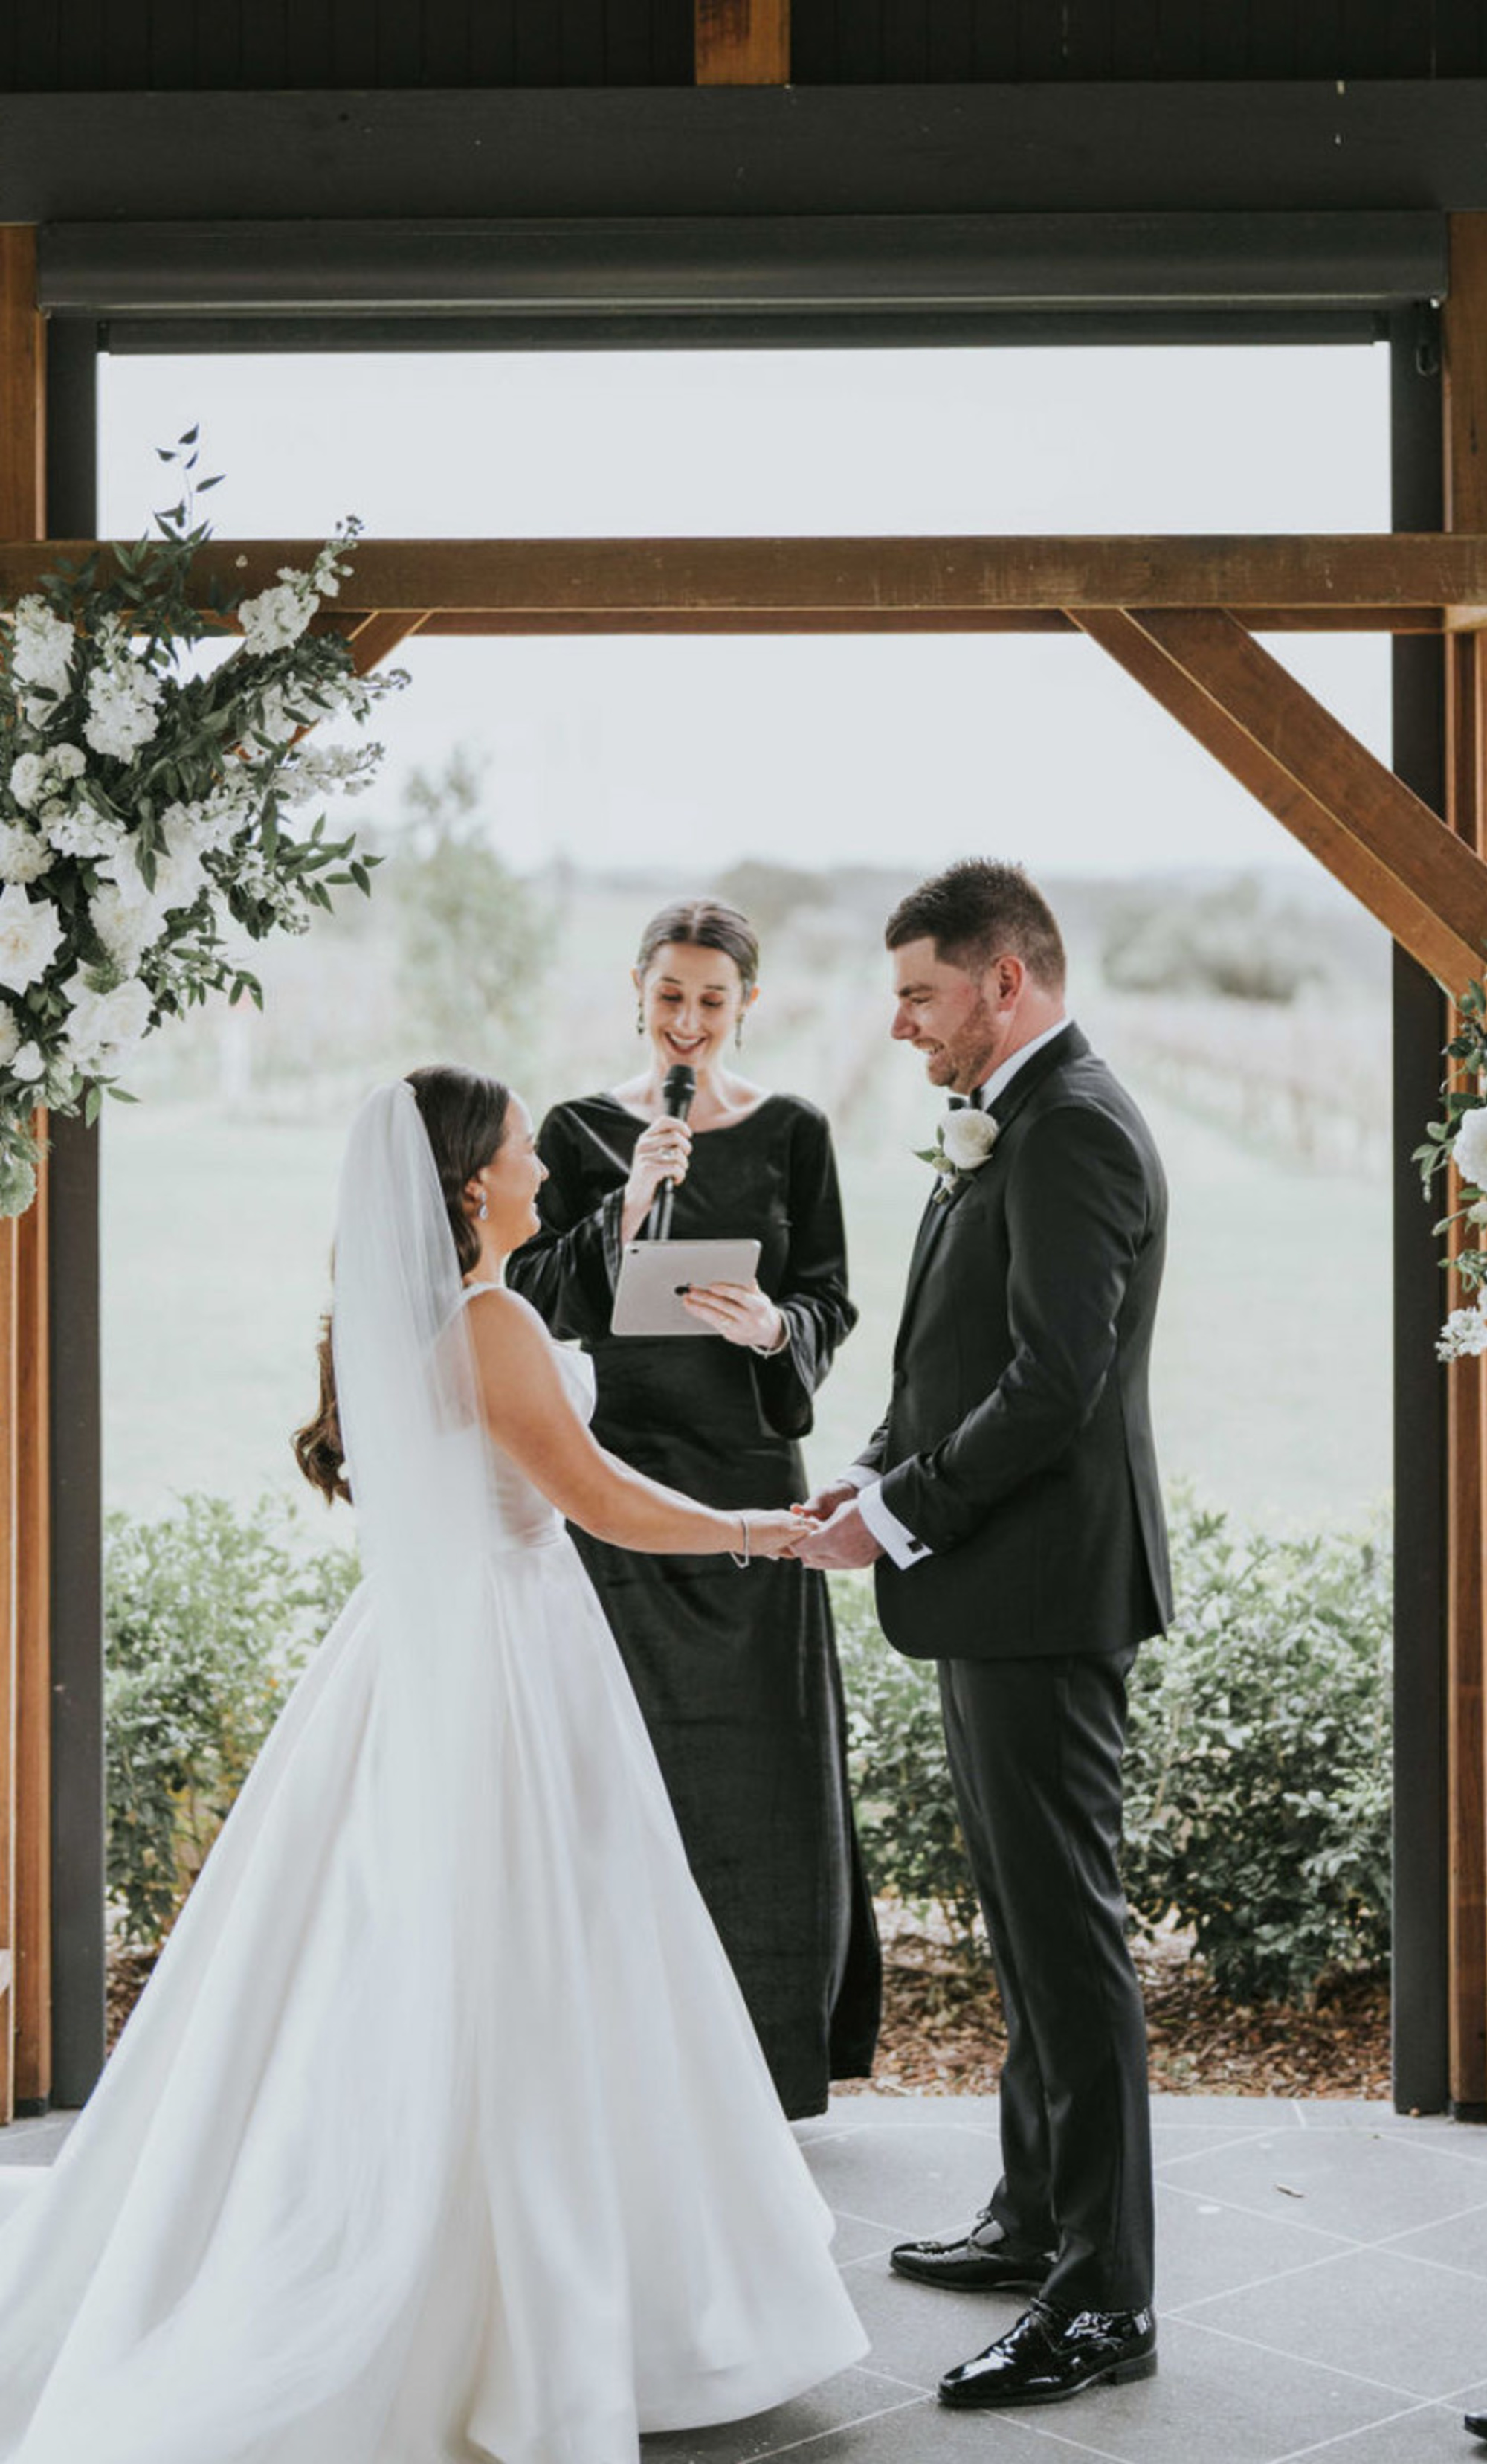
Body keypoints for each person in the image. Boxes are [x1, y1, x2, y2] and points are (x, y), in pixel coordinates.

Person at [0, 1066, 866, 2464]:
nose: (541, 1158)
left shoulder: (445, 1314)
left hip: (449, 1644)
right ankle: (500, 2301)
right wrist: (770, 1533)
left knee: (467, 1956)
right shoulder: (489, 1321)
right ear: (473, 1184)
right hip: (511, 1662)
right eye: (523, 1144)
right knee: (531, 1957)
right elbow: (599, 1501)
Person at [796, 859, 1170, 2412]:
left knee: (1066, 1937)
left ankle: (1103, 2297)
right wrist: (877, 1473)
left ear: (1003, 982)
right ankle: (1034, 2217)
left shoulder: (1071, 1125)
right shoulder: (1010, 1118)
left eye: (919, 996)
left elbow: (1052, 1384)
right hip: (988, 1581)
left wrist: (901, 1515)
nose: (898, 1028)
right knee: (1022, 1920)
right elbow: (951, 1350)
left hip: (1040, 1589)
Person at [507, 897, 880, 2119]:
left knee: (759, 1788)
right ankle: (620, 2072)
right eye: (669, 996)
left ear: (746, 1007)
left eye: (712, 1001)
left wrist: (777, 1326)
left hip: (750, 1495)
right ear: (636, 990)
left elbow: (829, 1299)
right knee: (625, 1779)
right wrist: (621, 1208)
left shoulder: (795, 1132)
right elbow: (528, 1299)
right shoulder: (573, 1129)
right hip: (616, 1486)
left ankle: (763, 2075)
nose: (687, 1022)